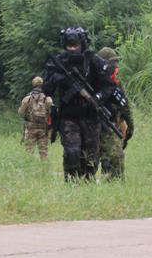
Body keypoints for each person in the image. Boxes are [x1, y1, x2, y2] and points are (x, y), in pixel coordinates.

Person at [41, 26, 115, 181]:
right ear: (64, 44)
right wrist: (56, 79)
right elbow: (46, 90)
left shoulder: (93, 60)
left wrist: (97, 97)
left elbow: (109, 85)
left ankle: (86, 187)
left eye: (75, 45)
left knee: (90, 160)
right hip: (69, 116)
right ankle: (72, 185)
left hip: (92, 115)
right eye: (69, 45)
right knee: (72, 152)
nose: (72, 48)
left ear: (82, 43)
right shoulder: (58, 62)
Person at [96, 47, 134, 180]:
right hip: (93, 124)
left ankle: (113, 184)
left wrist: (129, 126)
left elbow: (124, 105)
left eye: (116, 62)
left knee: (113, 157)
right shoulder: (92, 79)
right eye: (112, 63)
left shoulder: (116, 81)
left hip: (112, 123)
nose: (116, 66)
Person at [18, 76, 53, 159]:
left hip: (30, 128)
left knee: (29, 151)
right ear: (42, 85)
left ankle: (29, 167)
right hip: (43, 129)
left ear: (33, 85)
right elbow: (51, 113)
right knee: (44, 152)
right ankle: (44, 169)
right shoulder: (47, 99)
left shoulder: (27, 98)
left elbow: (21, 112)